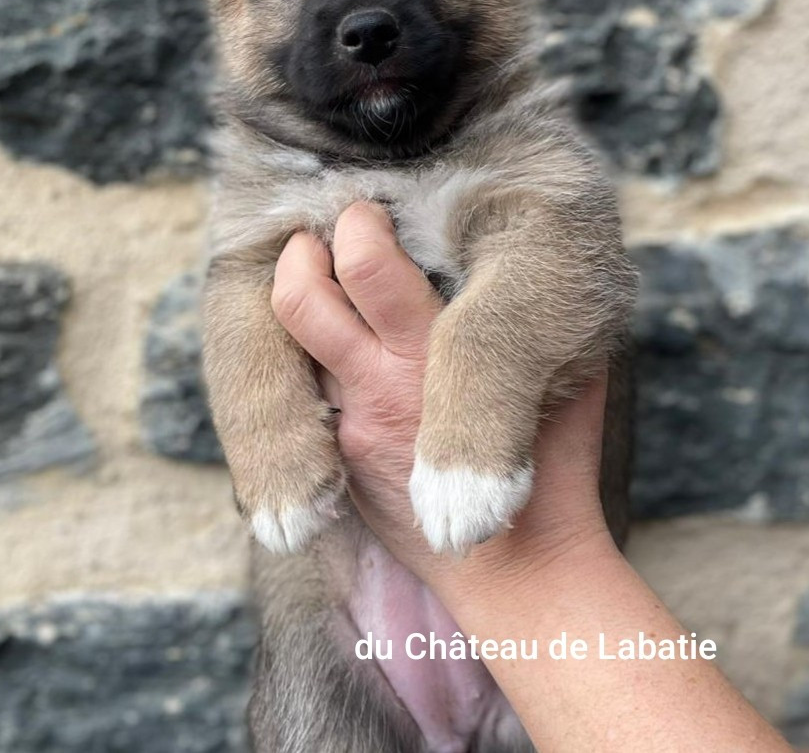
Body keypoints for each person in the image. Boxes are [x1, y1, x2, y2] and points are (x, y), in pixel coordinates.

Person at [270, 201, 790, 753]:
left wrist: (531, 561)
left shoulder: (524, 176)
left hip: (538, 657)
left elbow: (567, 253)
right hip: (353, 638)